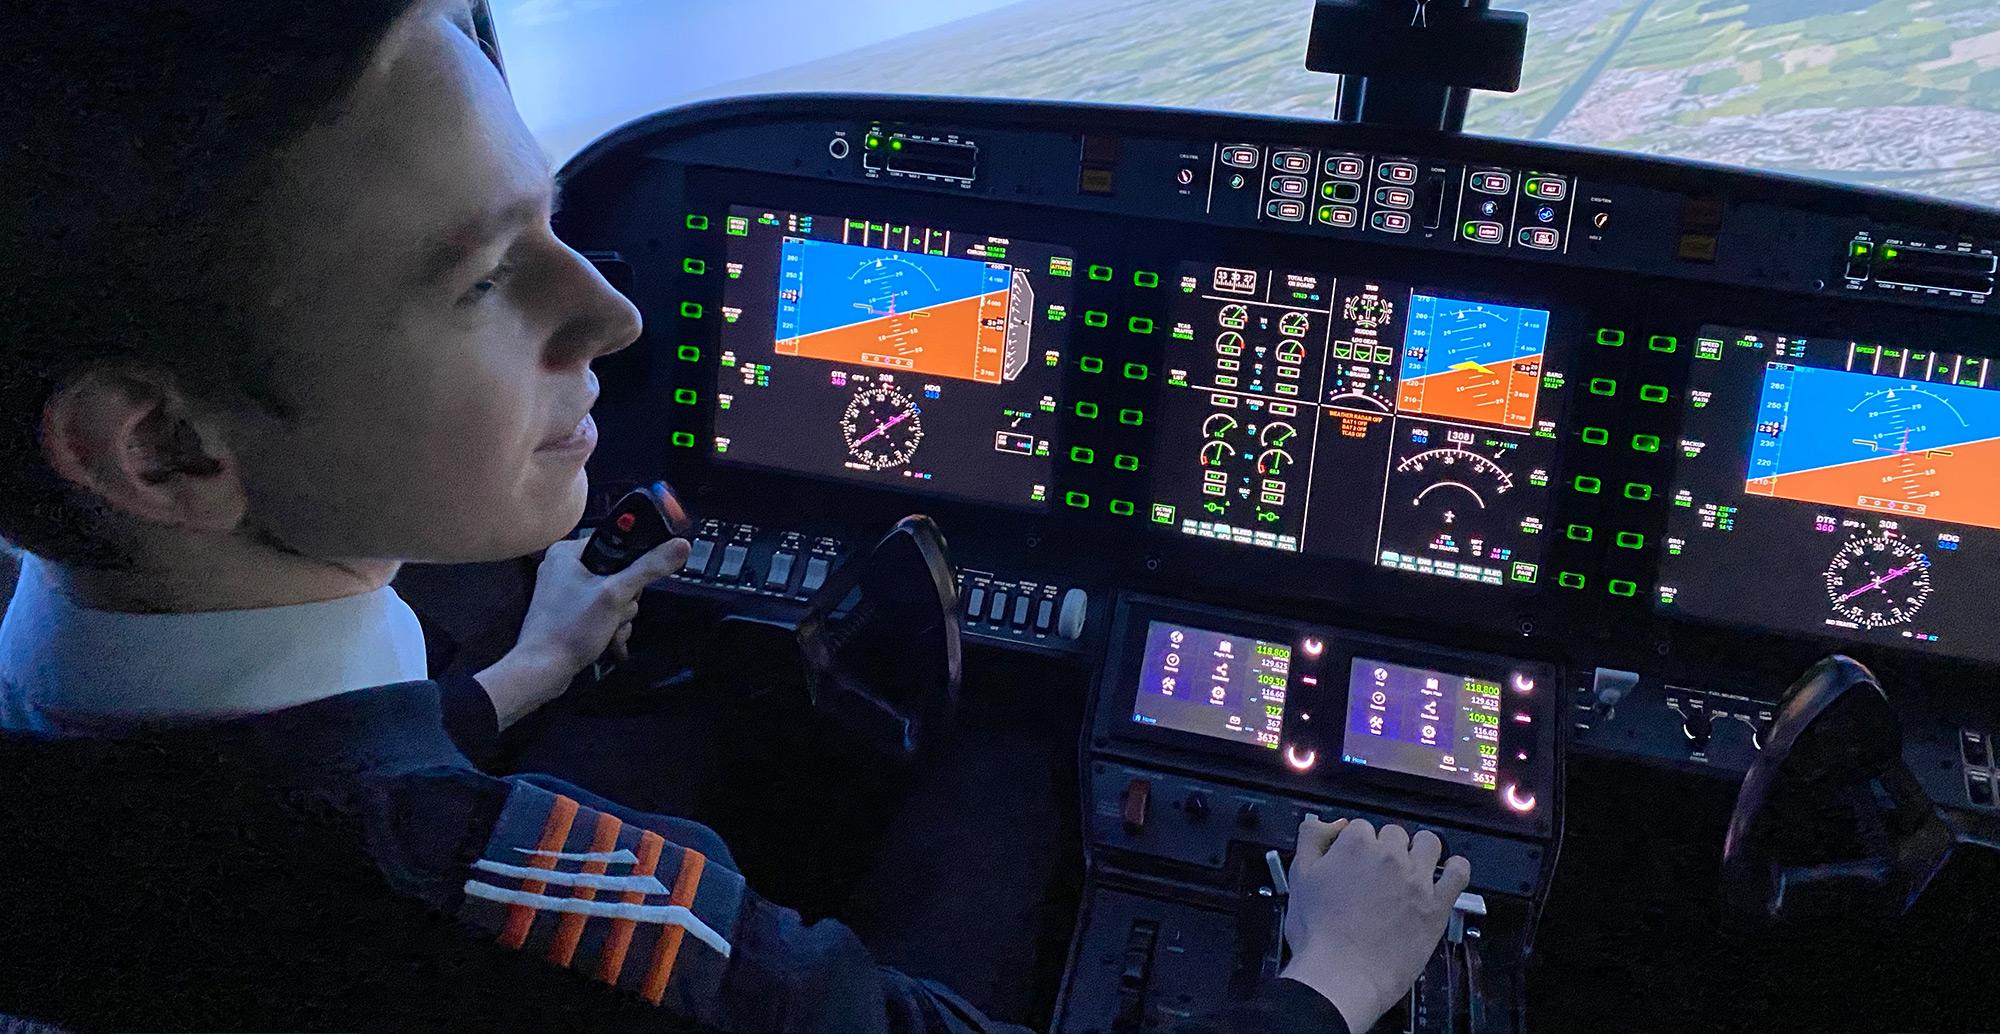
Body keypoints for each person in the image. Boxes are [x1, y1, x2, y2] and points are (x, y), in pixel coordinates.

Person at [0, 2, 1472, 1032]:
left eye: (554, 222)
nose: (616, 313)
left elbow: (240, 797)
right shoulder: (550, 909)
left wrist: (525, 673)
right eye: (482, 276)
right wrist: (1332, 976)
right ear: (163, 450)